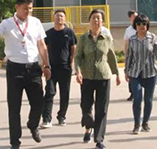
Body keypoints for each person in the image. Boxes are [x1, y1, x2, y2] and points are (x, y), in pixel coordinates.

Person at [0, 0, 52, 149]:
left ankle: (33, 125)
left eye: (30, 9)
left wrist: (46, 65)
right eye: (25, 9)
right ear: (17, 7)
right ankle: (15, 142)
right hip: (15, 70)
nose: (28, 12)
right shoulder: (7, 23)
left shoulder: (35, 22)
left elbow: (41, 45)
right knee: (14, 108)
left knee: (38, 103)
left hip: (33, 69)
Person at [75, 9, 121, 149]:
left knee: (102, 108)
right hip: (87, 76)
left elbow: (111, 56)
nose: (96, 20)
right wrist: (78, 71)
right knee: (86, 105)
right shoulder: (83, 38)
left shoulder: (107, 38)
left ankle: (99, 139)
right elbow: (78, 56)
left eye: (99, 18)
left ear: (102, 21)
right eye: (94, 18)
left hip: (103, 76)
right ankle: (88, 127)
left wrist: (117, 73)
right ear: (89, 21)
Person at [125, 14, 157, 134]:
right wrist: (126, 71)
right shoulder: (132, 39)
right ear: (135, 26)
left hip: (150, 73)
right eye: (138, 24)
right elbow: (129, 56)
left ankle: (145, 123)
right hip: (135, 73)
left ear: (147, 25)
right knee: (137, 98)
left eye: (144, 24)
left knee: (148, 100)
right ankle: (136, 124)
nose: (141, 26)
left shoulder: (152, 38)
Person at [40, 9, 77, 128]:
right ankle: (46, 119)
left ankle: (62, 117)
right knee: (49, 92)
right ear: (54, 18)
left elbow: (73, 48)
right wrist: (44, 64)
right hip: (51, 68)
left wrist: (72, 62)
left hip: (65, 67)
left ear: (65, 19)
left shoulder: (69, 32)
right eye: (57, 16)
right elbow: (44, 49)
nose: (59, 18)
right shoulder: (49, 33)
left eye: (61, 16)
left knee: (64, 94)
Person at [123, 10, 138, 101]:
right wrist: (126, 55)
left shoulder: (141, 27)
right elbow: (126, 43)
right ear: (130, 18)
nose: (136, 18)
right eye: (134, 16)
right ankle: (132, 93)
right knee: (131, 74)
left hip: (140, 54)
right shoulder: (128, 30)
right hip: (131, 55)